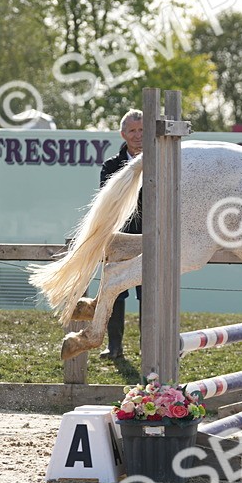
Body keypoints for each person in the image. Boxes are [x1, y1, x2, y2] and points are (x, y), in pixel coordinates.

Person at [98, 109, 144, 359]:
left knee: (150, 295)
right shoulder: (111, 166)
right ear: (123, 134)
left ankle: (149, 347)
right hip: (119, 237)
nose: (138, 136)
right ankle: (114, 346)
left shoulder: (163, 162)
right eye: (133, 131)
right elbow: (110, 201)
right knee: (115, 292)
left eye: (142, 130)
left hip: (151, 237)